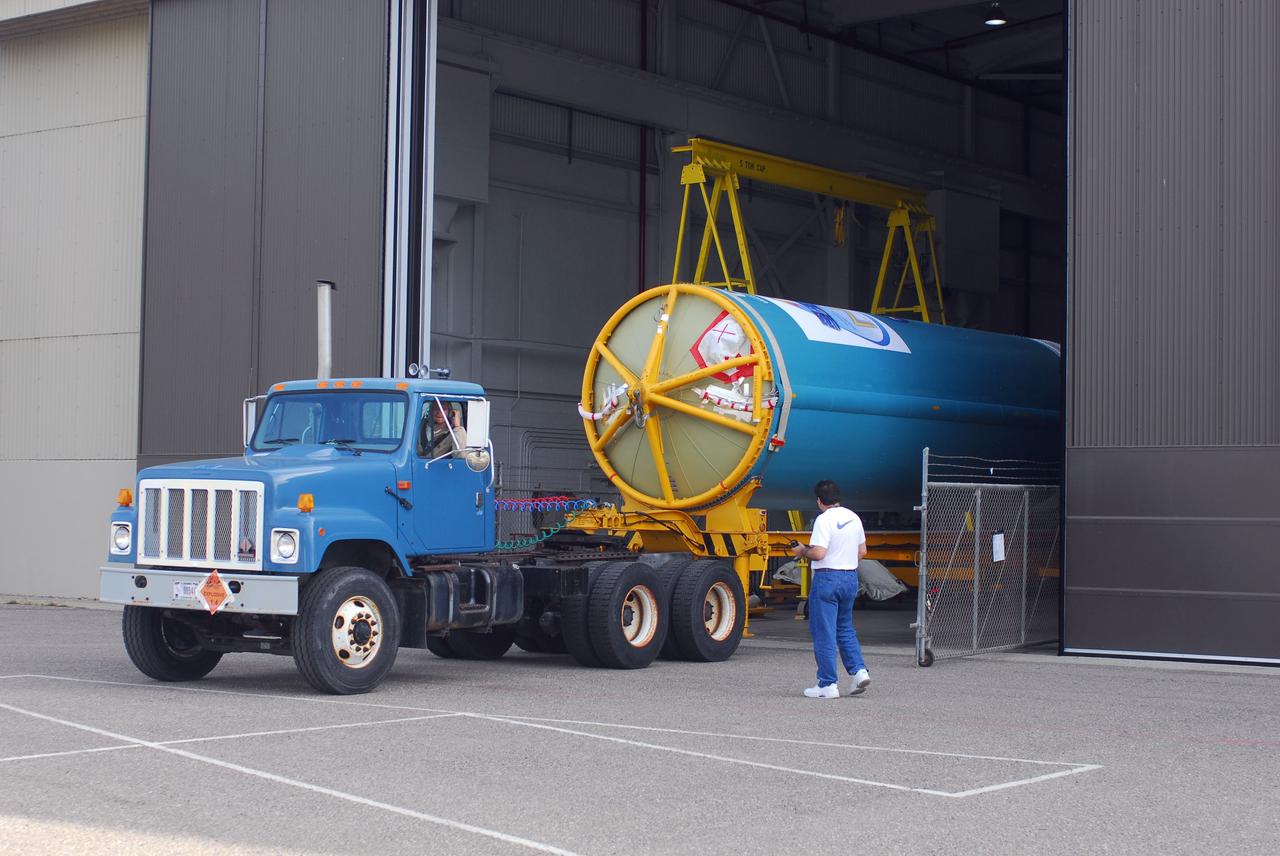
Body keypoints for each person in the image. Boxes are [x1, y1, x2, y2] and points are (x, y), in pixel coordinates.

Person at [790, 479, 870, 699]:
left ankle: (827, 684)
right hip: (850, 577)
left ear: (819, 501)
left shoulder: (823, 520)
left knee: (824, 631)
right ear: (838, 498)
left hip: (827, 578)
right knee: (845, 627)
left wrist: (802, 551)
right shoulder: (853, 517)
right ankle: (859, 671)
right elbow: (862, 551)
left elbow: (819, 553)